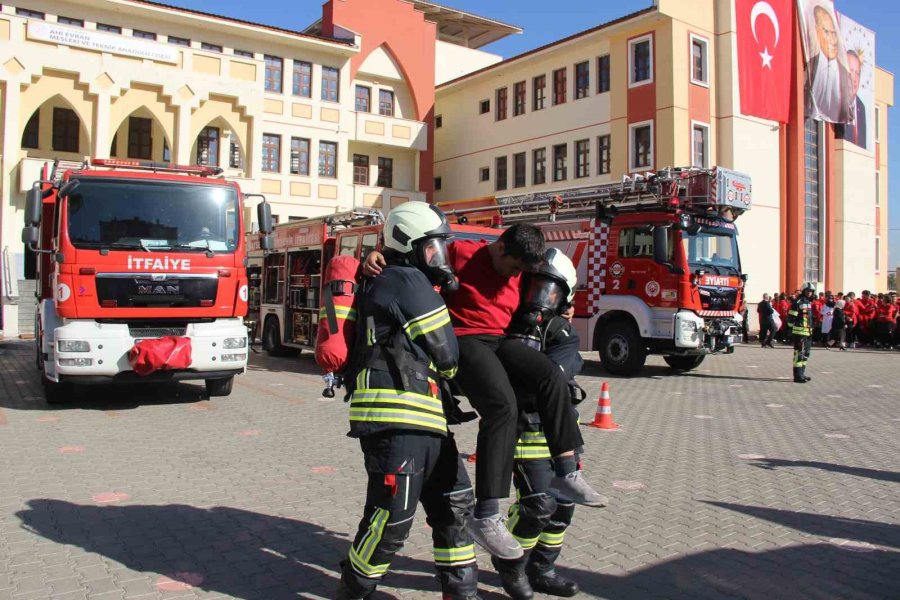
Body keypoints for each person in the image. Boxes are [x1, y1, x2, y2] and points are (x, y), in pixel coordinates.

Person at [363, 225, 604, 562]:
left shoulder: (521, 269)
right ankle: (487, 515)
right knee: (502, 407)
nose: (515, 276)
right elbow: (414, 260)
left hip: (500, 339)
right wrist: (377, 256)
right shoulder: (461, 252)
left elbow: (544, 291)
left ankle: (566, 473)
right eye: (514, 267)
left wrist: (565, 307)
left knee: (550, 375)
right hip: (465, 339)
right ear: (500, 248)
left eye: (521, 272)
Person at [337, 202, 478, 600]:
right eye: (432, 248)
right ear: (408, 245)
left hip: (423, 418)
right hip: (397, 416)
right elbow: (447, 354)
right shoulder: (407, 280)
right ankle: (353, 589)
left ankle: (463, 592)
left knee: (454, 505)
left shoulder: (393, 278)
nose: (440, 257)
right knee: (392, 518)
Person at [495, 248, 585, 599]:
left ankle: (542, 569)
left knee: (563, 506)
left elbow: (557, 375)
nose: (540, 298)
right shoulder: (505, 325)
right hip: (524, 430)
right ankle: (511, 564)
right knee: (538, 506)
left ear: (564, 297)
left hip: (560, 434)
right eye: (535, 287)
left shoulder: (563, 333)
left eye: (550, 291)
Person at [806, 5, 853, 123]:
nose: (832, 40)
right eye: (826, 32)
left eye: (834, 33)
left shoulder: (845, 75)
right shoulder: (808, 66)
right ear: (817, 31)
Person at [837, 50, 868, 147]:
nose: (854, 79)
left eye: (857, 73)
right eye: (851, 72)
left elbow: (862, 145)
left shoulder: (861, 107)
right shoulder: (835, 101)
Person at [788, 282, 815, 384]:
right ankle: (797, 376)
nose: (809, 293)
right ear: (803, 291)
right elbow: (791, 318)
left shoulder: (808, 302)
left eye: (811, 291)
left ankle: (802, 374)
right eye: (808, 291)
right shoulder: (797, 302)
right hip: (800, 333)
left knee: (806, 354)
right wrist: (792, 328)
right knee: (799, 354)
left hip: (808, 332)